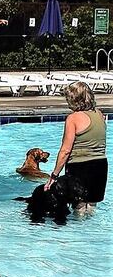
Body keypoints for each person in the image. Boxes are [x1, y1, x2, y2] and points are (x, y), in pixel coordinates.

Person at [44, 82, 107, 214]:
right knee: (91, 206)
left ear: (73, 99)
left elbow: (65, 151)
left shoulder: (73, 118)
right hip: (100, 166)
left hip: (79, 167)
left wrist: (54, 176)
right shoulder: (100, 115)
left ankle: (77, 234)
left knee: (78, 207)